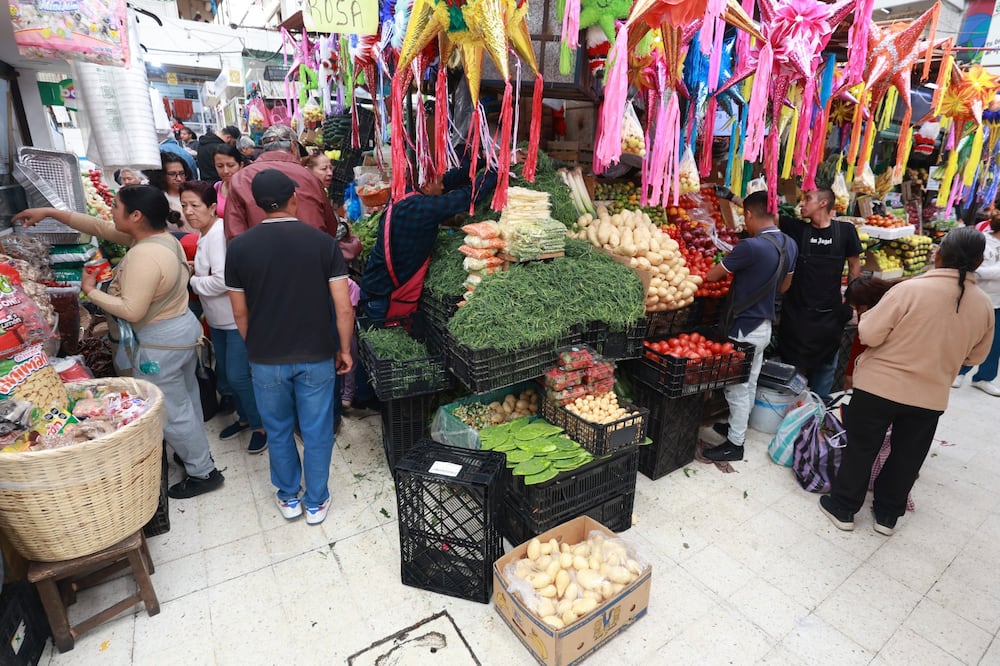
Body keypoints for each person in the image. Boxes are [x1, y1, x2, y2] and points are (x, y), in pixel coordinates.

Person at [13, 189, 224, 499]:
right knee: (186, 399)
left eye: (115, 206)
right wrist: (51, 212)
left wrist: (90, 291)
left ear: (135, 216)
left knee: (171, 410)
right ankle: (192, 451)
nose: (110, 211)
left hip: (159, 344)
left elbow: (131, 310)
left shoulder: (143, 254)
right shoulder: (159, 239)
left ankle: (203, 472)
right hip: (180, 333)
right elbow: (98, 227)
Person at [821, 227, 995, 535]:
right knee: (907, 456)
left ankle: (844, 508)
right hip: (930, 395)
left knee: (862, 448)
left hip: (880, 387)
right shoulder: (984, 306)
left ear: (938, 255)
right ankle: (887, 516)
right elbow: (976, 358)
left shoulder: (910, 290)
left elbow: (870, 333)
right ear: (979, 262)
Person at [225, 169, 354, 525]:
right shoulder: (323, 243)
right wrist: (344, 349)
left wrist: (259, 346)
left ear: (257, 204)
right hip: (316, 355)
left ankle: (288, 496)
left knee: (278, 429)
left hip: (266, 358)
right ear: (293, 198)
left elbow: (240, 312)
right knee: (316, 430)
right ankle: (316, 501)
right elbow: (343, 306)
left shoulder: (238, 249)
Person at [702, 191, 798, 462]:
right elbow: (784, 286)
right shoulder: (790, 244)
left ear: (749, 215)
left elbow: (712, 275)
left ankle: (735, 444)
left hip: (744, 327)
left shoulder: (751, 247)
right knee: (750, 380)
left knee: (738, 386)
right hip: (764, 324)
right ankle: (737, 428)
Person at [179, 180, 266, 453]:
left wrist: (193, 281)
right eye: (184, 206)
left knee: (239, 376)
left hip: (233, 319)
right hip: (217, 320)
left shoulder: (217, 234)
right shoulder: (204, 234)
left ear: (213, 207)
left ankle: (260, 425)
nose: (189, 212)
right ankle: (243, 418)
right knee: (228, 376)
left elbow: (223, 281)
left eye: (195, 206)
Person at [778, 188, 863, 403]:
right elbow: (763, 213)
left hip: (829, 313)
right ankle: (789, 408)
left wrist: (852, 302)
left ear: (823, 203)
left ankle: (818, 411)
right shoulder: (797, 228)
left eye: (807, 199)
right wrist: (733, 198)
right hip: (798, 312)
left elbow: (854, 265)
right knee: (794, 364)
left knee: (827, 364)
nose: (802, 204)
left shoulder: (845, 231)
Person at [223, 125, 340, 241]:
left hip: (259, 256)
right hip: (310, 253)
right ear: (294, 147)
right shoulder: (309, 177)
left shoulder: (240, 179)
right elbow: (330, 227)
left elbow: (234, 233)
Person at [953, 217, 1000, 395]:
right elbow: (974, 270)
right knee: (968, 337)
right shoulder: (983, 241)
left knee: (995, 343)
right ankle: (959, 371)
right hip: (978, 299)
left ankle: (984, 378)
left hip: (999, 302)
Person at [842, 276, 894, 390]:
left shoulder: (893, 305)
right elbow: (859, 340)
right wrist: (850, 374)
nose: (858, 311)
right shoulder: (866, 309)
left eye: (859, 306)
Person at [150, 152, 197, 234]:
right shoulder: (158, 200)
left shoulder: (197, 193)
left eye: (182, 173)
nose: (179, 178)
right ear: (162, 175)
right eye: (172, 174)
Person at [212, 143, 244, 219]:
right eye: (220, 166)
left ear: (241, 165)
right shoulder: (216, 187)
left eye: (230, 165)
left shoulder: (249, 189)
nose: (225, 171)